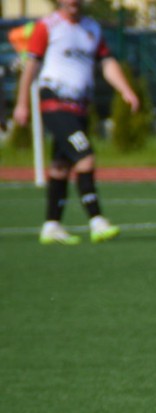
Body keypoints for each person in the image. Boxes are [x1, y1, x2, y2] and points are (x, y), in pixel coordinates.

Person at [13, 0, 139, 246]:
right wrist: (22, 103)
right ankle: (97, 221)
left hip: (79, 107)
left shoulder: (92, 28)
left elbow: (107, 62)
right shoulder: (47, 26)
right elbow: (31, 66)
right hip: (55, 103)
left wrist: (126, 90)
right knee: (85, 155)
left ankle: (52, 225)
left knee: (61, 166)